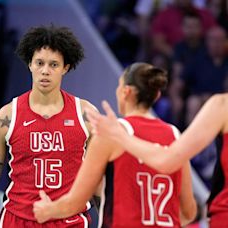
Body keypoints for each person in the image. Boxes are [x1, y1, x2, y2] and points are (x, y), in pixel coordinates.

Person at [0, 24, 99, 228]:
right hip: (18, 220)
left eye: (53, 64)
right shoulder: (6, 117)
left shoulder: (86, 115)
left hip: (69, 222)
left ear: (66, 67)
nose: (45, 71)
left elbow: (98, 183)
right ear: (29, 64)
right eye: (40, 63)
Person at [33, 62, 197, 227]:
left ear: (126, 92)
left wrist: (47, 210)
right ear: (156, 96)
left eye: (118, 86)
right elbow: (189, 212)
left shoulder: (111, 133)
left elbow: (74, 203)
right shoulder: (175, 136)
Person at [86, 83, 228, 227]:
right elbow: (189, 212)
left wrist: (119, 135)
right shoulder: (172, 133)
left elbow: (166, 160)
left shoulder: (221, 105)